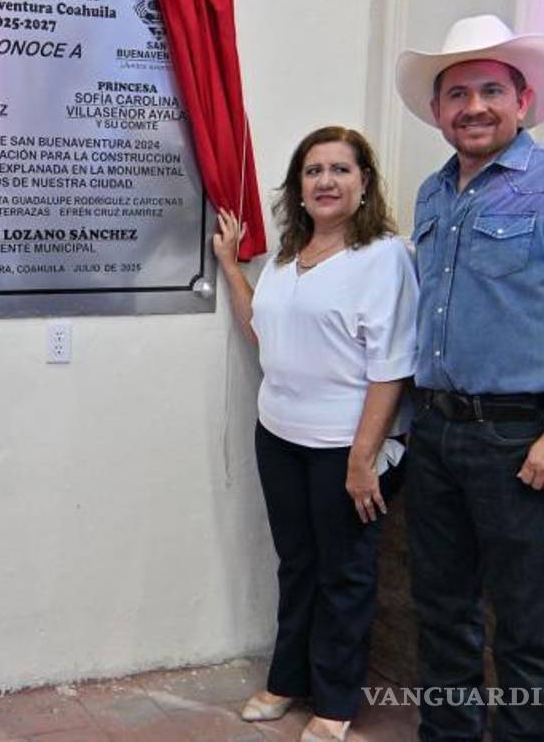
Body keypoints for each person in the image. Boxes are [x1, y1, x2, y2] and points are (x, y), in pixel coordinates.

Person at [396, 14, 544, 741]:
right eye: (457, 94)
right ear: (438, 112)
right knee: (443, 615)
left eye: (491, 89)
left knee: (526, 630)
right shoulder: (435, 195)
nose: (474, 107)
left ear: (523, 100)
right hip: (434, 434)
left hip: (521, 440)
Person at [215, 126, 419, 742]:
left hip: (345, 446)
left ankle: (334, 703)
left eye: (340, 170)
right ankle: (287, 681)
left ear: (364, 184)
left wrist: (363, 461)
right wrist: (230, 266)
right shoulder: (287, 256)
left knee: (345, 574)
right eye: (313, 171)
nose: (326, 181)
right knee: (297, 563)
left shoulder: (384, 257)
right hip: (279, 434)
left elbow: (393, 367)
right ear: (298, 189)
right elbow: (265, 331)